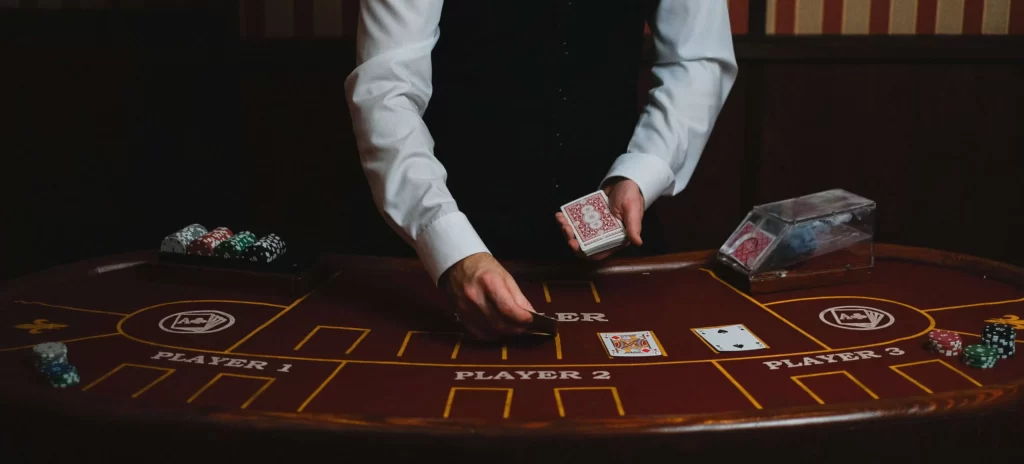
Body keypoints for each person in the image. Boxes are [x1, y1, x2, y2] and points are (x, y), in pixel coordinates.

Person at [345, 1, 737, 340]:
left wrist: (642, 172)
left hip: (611, 247)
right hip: (437, 243)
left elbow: (697, 59)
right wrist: (447, 243)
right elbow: (386, 91)